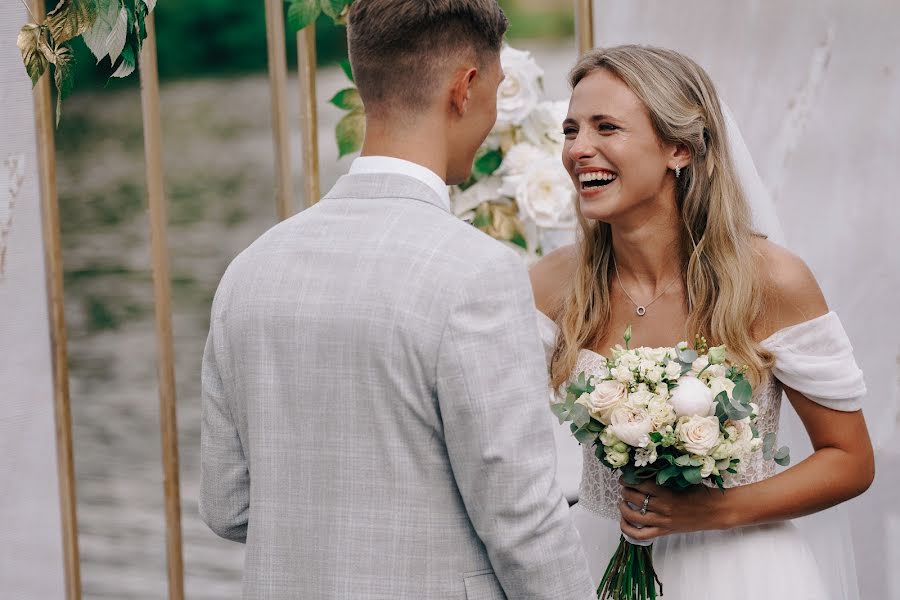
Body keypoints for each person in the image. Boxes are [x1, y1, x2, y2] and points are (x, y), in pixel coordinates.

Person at [199, 1, 595, 598]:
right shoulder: (478, 273)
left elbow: (226, 505)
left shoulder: (250, 270)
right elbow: (521, 523)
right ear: (464, 88)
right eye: (494, 86)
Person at [530, 45, 874, 599]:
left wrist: (710, 510)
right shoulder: (551, 287)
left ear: (679, 148)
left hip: (745, 570)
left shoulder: (771, 281)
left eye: (606, 127)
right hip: (596, 564)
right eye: (571, 130)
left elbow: (850, 460)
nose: (579, 150)